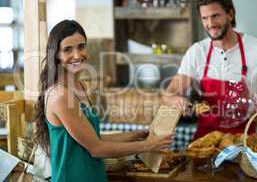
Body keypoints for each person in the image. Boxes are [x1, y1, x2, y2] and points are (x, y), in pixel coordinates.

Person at [35, 20, 174, 182]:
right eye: (67, 49)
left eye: (81, 46)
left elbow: (95, 138)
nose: (77, 55)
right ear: (56, 55)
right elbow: (97, 148)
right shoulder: (60, 95)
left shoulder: (81, 87)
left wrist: (136, 135)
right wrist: (148, 145)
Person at [162, 0, 257, 140]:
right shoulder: (197, 51)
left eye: (215, 16)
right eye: (205, 18)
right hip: (205, 141)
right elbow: (168, 94)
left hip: (245, 141)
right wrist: (175, 99)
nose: (210, 24)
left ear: (230, 14)